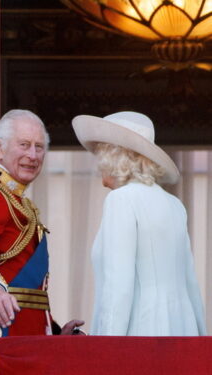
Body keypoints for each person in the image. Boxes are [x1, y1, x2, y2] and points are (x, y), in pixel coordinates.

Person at [72, 111, 207, 336]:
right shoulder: (174, 204)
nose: (97, 165)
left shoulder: (121, 200)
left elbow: (119, 288)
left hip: (141, 333)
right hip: (181, 331)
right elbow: (191, 283)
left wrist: (106, 349)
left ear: (112, 156)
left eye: (100, 154)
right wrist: (202, 340)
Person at [0, 109, 83, 337]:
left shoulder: (16, 201)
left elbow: (25, 292)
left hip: (26, 339)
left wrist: (56, 332)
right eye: (24, 145)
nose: (33, 155)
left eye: (39, 147)